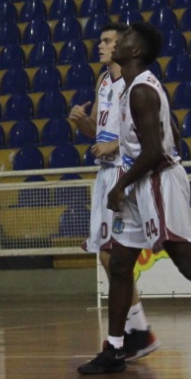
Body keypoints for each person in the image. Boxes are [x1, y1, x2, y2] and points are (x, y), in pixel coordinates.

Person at [78, 22, 191, 378]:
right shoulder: (130, 87)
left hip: (157, 181)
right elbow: (171, 131)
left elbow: (157, 152)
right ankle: (115, 348)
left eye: (125, 39)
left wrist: (120, 186)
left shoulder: (142, 91)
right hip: (139, 182)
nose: (118, 42)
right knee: (118, 264)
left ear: (135, 51)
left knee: (190, 266)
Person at [68, 22, 157, 361]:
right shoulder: (102, 80)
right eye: (100, 40)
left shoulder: (134, 84)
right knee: (109, 257)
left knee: (113, 256)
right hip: (106, 174)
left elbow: (145, 135)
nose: (100, 45)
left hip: (125, 172)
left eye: (107, 41)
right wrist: (82, 123)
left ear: (123, 46)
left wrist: (113, 147)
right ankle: (136, 330)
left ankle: (136, 331)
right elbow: (97, 132)